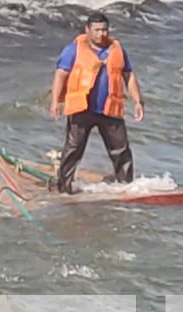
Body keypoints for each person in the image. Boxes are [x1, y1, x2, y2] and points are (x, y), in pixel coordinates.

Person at [50, 12, 144, 194]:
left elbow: (129, 75)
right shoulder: (73, 49)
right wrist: (56, 101)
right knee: (73, 150)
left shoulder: (117, 50)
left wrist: (138, 101)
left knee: (121, 151)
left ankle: (126, 188)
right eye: (97, 30)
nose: (101, 34)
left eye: (104, 30)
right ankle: (64, 187)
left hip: (110, 109)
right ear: (87, 30)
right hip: (81, 108)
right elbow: (60, 75)